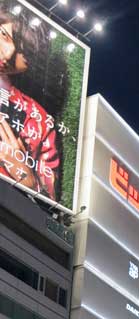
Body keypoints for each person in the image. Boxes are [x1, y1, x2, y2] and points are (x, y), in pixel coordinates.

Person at [0, 6, 61, 199]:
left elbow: (48, 199)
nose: (9, 54)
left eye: (24, 53)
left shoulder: (40, 121)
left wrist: (26, 177)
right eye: (4, 35)